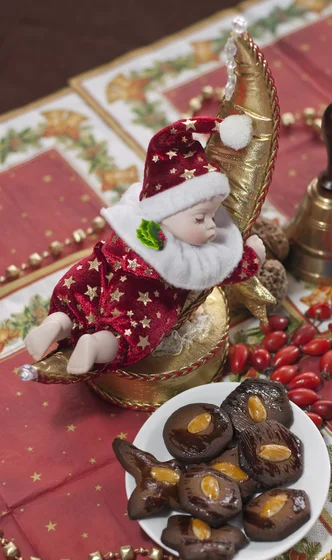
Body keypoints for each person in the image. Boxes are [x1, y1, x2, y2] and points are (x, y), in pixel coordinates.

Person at [24, 115, 266, 374]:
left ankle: (57, 323)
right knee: (130, 330)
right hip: (144, 298)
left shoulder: (134, 220)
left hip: (100, 268)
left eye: (212, 215)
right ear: (167, 211)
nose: (211, 225)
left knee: (78, 294)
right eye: (200, 217)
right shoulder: (184, 256)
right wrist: (253, 256)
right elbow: (220, 269)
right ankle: (95, 346)